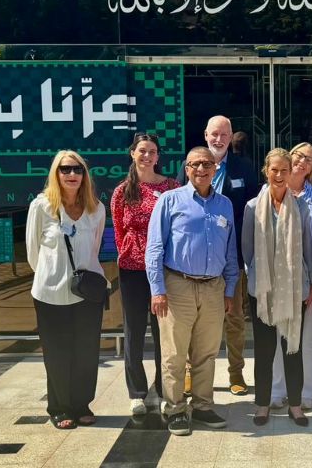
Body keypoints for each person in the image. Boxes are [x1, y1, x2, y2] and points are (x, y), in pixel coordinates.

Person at [146, 146, 238, 436]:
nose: (201, 169)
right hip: (178, 286)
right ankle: (174, 408)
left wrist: (230, 288)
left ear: (215, 169)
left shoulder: (224, 204)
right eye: (195, 164)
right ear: (186, 169)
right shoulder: (170, 200)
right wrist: (157, 290)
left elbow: (231, 251)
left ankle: (202, 406)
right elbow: (155, 248)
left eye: (207, 164)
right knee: (174, 354)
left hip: (214, 288)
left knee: (207, 353)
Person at [26, 150, 108, 430]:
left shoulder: (96, 209)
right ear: (56, 173)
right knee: (57, 352)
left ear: (85, 175)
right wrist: (54, 274)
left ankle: (81, 403)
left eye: (78, 170)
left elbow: (94, 250)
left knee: (86, 351)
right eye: (65, 170)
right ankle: (59, 408)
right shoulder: (41, 207)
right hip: (50, 293)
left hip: (86, 293)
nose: (72, 175)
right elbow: (33, 253)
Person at [241, 148, 312, 427]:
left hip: (295, 288)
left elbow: (309, 248)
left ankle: (295, 405)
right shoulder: (252, 207)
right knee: (263, 350)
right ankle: (262, 404)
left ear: (290, 173)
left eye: (284, 170)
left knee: (292, 348)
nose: (278, 175)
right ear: (266, 171)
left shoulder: (302, 207)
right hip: (262, 290)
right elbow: (247, 251)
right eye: (274, 170)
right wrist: (263, 278)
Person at [110, 132, 181, 418]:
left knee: (165, 333)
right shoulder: (122, 191)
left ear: (158, 156)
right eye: (142, 150)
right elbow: (117, 230)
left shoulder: (171, 188)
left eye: (152, 151)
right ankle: (136, 392)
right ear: (133, 154)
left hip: (164, 272)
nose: (147, 156)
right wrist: (132, 251)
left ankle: (164, 390)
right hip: (132, 270)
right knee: (134, 332)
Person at [270, 142, 312, 410]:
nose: (302, 161)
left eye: (309, 159)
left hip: (309, 279)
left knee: (306, 337)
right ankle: (277, 390)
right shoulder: (270, 191)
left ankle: (307, 391)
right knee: (277, 337)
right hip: (276, 279)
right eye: (299, 155)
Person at [202, 114, 258, 396]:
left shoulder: (244, 168)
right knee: (199, 321)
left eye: (224, 134)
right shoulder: (195, 164)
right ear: (205, 135)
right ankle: (194, 374)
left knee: (234, 319)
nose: (218, 139)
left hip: (232, 261)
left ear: (231, 136)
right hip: (199, 263)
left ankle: (236, 373)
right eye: (214, 134)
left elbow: (256, 211)